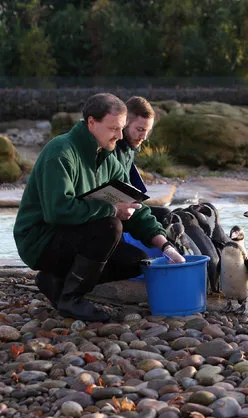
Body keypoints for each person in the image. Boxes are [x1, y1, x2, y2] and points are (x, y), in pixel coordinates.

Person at [13, 93, 185, 323]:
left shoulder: (108, 157)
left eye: (122, 128)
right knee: (110, 226)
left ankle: (55, 282)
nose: (120, 135)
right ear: (91, 122)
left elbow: (135, 207)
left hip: (73, 235)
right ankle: (72, 299)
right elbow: (58, 211)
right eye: (114, 128)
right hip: (39, 240)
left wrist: (165, 245)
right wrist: (112, 209)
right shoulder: (61, 152)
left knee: (137, 261)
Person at [114, 96, 171, 225]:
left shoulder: (130, 147)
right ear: (125, 122)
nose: (144, 137)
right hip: (113, 213)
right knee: (165, 214)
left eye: (147, 131)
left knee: (169, 214)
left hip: (127, 205)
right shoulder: (112, 146)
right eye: (140, 130)